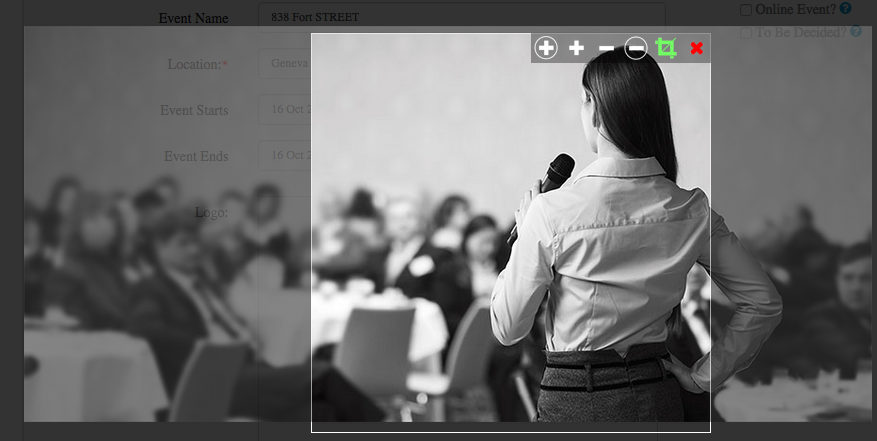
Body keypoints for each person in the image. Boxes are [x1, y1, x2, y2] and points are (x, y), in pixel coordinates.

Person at [490, 47, 783, 422]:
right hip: (656, 397)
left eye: (584, 101)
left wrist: (525, 232)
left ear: (595, 109)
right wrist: (704, 376)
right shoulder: (692, 209)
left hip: (575, 400)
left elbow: (508, 328)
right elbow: (763, 303)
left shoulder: (551, 211)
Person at [126, 209, 384, 422]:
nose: (194, 250)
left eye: (195, 243)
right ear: (159, 247)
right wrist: (205, 349)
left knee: (322, 412)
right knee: (323, 376)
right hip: (211, 381)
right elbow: (144, 330)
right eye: (183, 244)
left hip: (245, 368)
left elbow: (226, 320)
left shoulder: (202, 283)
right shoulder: (151, 289)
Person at [42, 192, 132, 330]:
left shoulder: (114, 270)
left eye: (110, 217)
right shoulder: (68, 273)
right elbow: (70, 327)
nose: (106, 223)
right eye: (93, 218)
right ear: (77, 224)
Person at [431, 215, 502, 337]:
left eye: (494, 243)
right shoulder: (451, 269)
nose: (489, 248)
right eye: (483, 242)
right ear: (468, 238)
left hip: (497, 332)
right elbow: (446, 313)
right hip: (463, 333)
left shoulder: (499, 266)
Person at [370, 197, 452, 298]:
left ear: (421, 220)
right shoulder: (376, 256)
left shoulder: (439, 256)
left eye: (409, 217)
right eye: (395, 218)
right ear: (386, 223)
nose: (402, 223)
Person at [40, 176, 82, 263]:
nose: (68, 204)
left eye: (72, 200)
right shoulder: (45, 220)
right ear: (56, 198)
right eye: (64, 199)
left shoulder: (81, 225)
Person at [24, 199, 53, 317]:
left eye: (33, 226)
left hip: (34, 314)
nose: (30, 230)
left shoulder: (46, 256)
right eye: (27, 226)